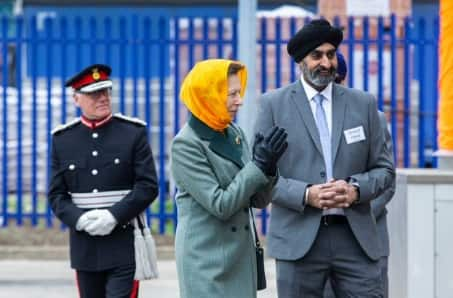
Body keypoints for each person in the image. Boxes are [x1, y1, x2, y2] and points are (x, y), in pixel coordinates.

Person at [253, 19, 395, 297]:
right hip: (298, 238)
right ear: (301, 61)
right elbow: (259, 177)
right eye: (316, 55)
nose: (326, 63)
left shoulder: (363, 103)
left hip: (355, 239)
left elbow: (384, 170)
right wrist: (306, 194)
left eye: (330, 54)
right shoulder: (273, 105)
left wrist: (355, 189)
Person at [170, 59, 288, 298]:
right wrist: (257, 166)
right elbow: (221, 204)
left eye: (239, 92)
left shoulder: (233, 132)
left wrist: (270, 168)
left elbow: (257, 200)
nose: (239, 101)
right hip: (207, 261)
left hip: (239, 258)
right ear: (208, 94)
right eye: (231, 94)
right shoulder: (186, 144)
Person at [48, 64, 159, 298]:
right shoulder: (63, 139)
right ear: (76, 98)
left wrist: (113, 215)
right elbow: (56, 195)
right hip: (84, 247)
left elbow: (147, 186)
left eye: (106, 91)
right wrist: (79, 219)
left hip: (124, 241)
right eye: (93, 93)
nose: (103, 98)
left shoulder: (132, 133)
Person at [323, 52, 396, 298]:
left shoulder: (371, 116)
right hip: (323, 238)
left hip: (368, 233)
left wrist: (355, 210)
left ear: (343, 80)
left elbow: (387, 178)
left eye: (335, 81)